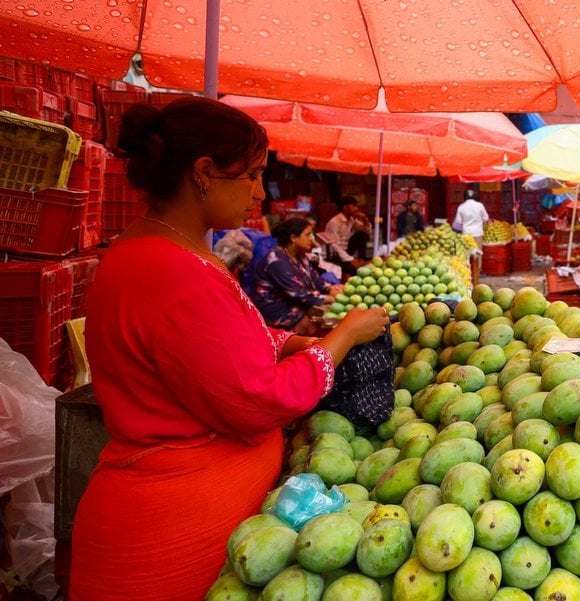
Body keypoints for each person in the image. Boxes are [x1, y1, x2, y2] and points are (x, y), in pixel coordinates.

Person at [69, 97, 392, 601]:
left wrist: (296, 342)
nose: (261, 193)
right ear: (204, 173)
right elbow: (257, 400)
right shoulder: (170, 271)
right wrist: (343, 336)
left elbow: (221, 346)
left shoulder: (162, 248)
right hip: (172, 541)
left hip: (189, 518)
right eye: (253, 175)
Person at [250, 217, 343, 334]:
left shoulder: (301, 256)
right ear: (293, 238)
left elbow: (316, 280)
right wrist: (333, 299)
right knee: (323, 328)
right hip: (278, 313)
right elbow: (300, 295)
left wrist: (330, 289)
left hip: (296, 304)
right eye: (308, 235)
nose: (312, 239)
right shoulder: (276, 262)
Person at [325, 196, 371, 274]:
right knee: (356, 271)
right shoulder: (335, 222)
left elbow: (367, 232)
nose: (356, 208)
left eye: (356, 206)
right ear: (345, 207)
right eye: (353, 206)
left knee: (362, 234)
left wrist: (365, 220)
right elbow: (334, 245)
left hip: (346, 250)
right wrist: (350, 259)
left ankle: (361, 259)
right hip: (335, 253)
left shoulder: (351, 220)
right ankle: (354, 264)